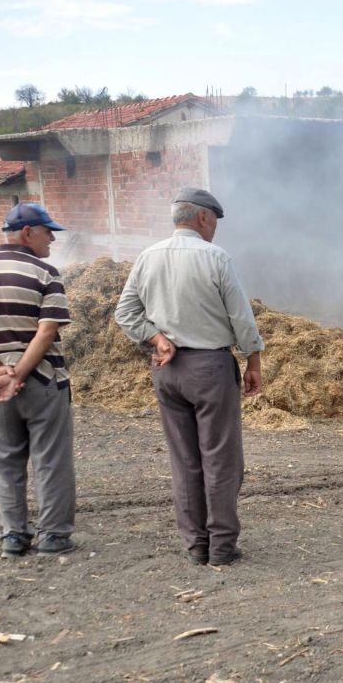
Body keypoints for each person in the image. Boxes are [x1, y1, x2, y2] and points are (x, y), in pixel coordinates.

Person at [114, 188, 264, 566]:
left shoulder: (148, 257)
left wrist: (156, 338)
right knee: (220, 459)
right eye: (214, 221)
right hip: (210, 368)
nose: (214, 229)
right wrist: (254, 360)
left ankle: (196, 545)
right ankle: (222, 547)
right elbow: (241, 319)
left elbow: (126, 313)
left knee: (185, 460)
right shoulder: (215, 258)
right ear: (203, 219)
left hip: (167, 371)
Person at [0, 203, 78, 559]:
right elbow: (46, 333)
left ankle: (14, 535)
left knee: (5, 459)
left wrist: (2, 375)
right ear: (28, 233)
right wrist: (20, 374)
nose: (52, 240)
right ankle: (53, 536)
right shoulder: (46, 273)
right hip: (43, 383)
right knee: (51, 460)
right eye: (48, 232)